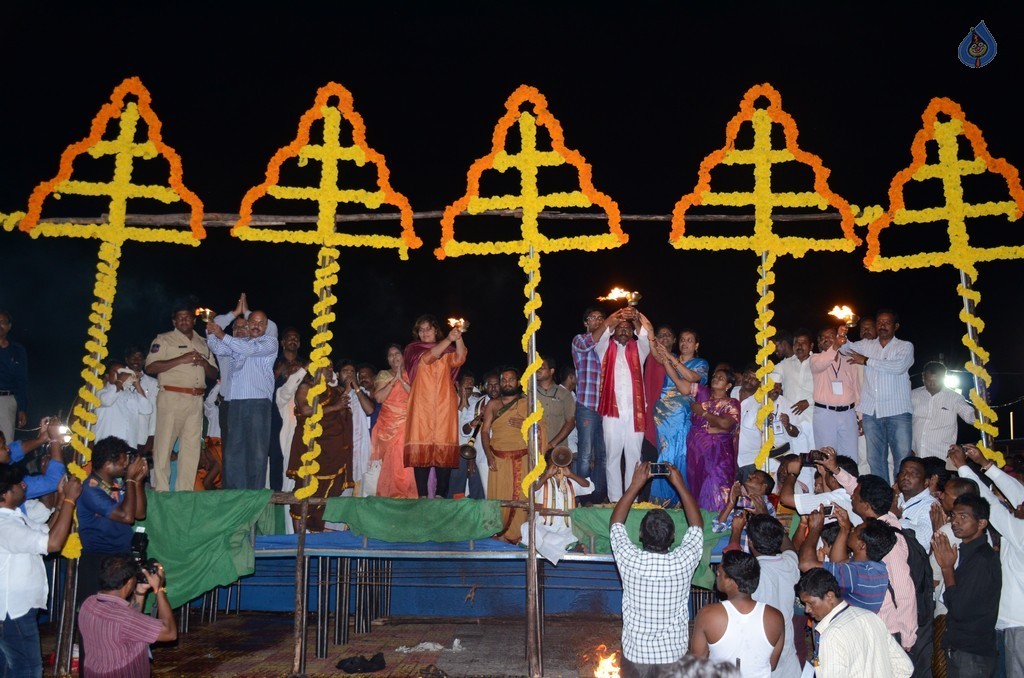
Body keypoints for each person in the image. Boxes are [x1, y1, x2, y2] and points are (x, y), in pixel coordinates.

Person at [610, 462, 704, 675]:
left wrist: (635, 485)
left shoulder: (630, 560)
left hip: (636, 657)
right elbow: (697, 526)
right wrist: (680, 485)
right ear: (673, 537)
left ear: (640, 535)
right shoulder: (683, 562)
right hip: (673, 657)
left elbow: (616, 524)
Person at [949, 444, 1024, 677]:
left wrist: (963, 467)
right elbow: (1017, 494)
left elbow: (989, 504)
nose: (1018, 502)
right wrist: (986, 465)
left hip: (1017, 625)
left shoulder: (1020, 530)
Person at [0, 463, 81, 677]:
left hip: (17, 609)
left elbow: (47, 533)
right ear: (5, 493)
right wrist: (70, 501)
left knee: (12, 667)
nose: (24, 486)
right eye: (19, 483)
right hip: (12, 611)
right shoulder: (4, 525)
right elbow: (52, 544)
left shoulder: (15, 516)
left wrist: (63, 501)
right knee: (29, 669)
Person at [145, 306, 218, 492]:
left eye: (187, 317)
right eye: (180, 318)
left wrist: (203, 363)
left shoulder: (203, 342)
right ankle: (161, 490)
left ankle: (184, 492)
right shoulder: (164, 339)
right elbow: (151, 367)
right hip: (172, 397)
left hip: (196, 400)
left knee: (191, 449)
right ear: (174, 322)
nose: (184, 320)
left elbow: (214, 372)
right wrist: (181, 359)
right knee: (164, 447)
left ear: (193, 321)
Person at [838, 310, 914, 483]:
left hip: (898, 411)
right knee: (875, 459)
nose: (882, 326)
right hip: (871, 412)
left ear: (896, 326)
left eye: (887, 322)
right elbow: (845, 349)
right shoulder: (868, 345)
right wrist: (842, 334)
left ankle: (901, 499)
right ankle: (883, 501)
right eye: (879, 322)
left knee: (902, 459)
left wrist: (866, 361)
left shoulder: (905, 346)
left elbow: (898, 367)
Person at [206, 310, 278, 490]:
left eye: (261, 323)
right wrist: (212, 328)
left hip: (258, 403)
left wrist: (221, 333)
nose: (256, 326)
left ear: (266, 326)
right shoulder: (238, 343)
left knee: (257, 451)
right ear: (247, 324)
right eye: (252, 322)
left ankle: (253, 494)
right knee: (233, 452)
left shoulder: (270, 342)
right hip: (236, 403)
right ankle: (233, 493)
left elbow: (250, 349)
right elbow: (215, 345)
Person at [796, 568, 913, 677]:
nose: (807, 610)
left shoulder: (831, 636)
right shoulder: (870, 616)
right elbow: (904, 667)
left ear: (830, 596)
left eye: (811, 603)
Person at [932, 494, 1001, 677]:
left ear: (981, 523)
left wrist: (947, 569)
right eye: (953, 516)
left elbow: (959, 609)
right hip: (963, 649)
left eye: (963, 517)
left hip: (972, 653)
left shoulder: (982, 559)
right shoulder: (970, 552)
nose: (955, 522)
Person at [76, 437, 149, 606]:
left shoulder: (117, 484)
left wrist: (137, 482)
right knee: (97, 617)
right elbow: (126, 517)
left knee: (122, 616)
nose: (127, 466)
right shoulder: (90, 489)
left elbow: (139, 513)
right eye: (124, 462)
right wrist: (130, 480)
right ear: (109, 464)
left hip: (121, 557)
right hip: (98, 561)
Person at [78, 554, 176, 677]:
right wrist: (159, 588)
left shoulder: (88, 604)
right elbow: (170, 633)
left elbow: (131, 624)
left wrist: (140, 592)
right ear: (129, 583)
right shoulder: (124, 618)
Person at [691, 550, 786, 676]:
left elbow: (697, 664)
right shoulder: (776, 617)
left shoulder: (708, 614)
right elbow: (772, 664)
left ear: (731, 581)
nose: (717, 574)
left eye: (720, 572)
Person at [403, 315, 467, 498]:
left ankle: (440, 496)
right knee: (421, 449)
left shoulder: (448, 350)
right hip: (421, 405)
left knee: (443, 447)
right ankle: (422, 496)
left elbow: (460, 358)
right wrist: (449, 339)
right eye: (421, 330)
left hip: (444, 404)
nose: (424, 333)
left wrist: (459, 335)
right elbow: (428, 358)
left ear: (435, 330)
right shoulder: (413, 349)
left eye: (428, 329)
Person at [286, 363, 352, 531]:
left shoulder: (334, 391)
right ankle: (297, 541)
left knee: (330, 490)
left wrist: (343, 400)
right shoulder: (305, 387)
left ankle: (318, 533)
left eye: (331, 367)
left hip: (332, 452)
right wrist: (334, 407)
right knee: (304, 489)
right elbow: (306, 409)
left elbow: (343, 417)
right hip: (309, 448)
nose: (330, 370)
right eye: (326, 367)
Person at [597, 309, 652, 502]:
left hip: (635, 411)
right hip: (611, 412)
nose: (623, 331)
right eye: (620, 328)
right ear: (613, 331)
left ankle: (632, 499)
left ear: (632, 333)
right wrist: (616, 316)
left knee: (634, 456)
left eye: (627, 329)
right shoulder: (604, 348)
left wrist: (636, 317)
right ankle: (614, 500)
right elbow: (601, 335)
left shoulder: (639, 350)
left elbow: (645, 337)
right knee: (612, 456)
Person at [798, 507, 892, 613]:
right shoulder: (876, 568)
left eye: (855, 530)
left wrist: (815, 528)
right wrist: (845, 528)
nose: (852, 530)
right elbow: (838, 563)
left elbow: (806, 564)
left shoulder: (857, 574)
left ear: (861, 545)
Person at [649, 329, 708, 501]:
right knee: (665, 452)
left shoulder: (701, 363)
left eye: (689, 340)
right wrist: (649, 331)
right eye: (682, 339)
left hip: (682, 413)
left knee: (681, 453)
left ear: (696, 345)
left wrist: (672, 359)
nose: (684, 342)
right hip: (663, 413)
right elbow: (655, 351)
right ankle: (661, 498)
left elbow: (692, 378)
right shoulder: (669, 357)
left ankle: (678, 499)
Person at [744, 514, 803, 678]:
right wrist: (773, 525)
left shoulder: (750, 574)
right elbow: (789, 548)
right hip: (787, 649)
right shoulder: (790, 563)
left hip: (760, 649)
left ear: (750, 542)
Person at [482, 367, 531, 542]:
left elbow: (539, 429)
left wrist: (525, 424)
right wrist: (488, 455)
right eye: (504, 380)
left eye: (511, 379)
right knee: (499, 498)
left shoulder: (527, 404)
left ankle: (518, 537)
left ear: (518, 382)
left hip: (522, 459)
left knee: (522, 498)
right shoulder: (493, 405)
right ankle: (498, 535)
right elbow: (485, 431)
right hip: (498, 459)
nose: (507, 383)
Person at [686, 368, 741, 512]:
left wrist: (702, 412)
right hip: (696, 452)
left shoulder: (731, 403)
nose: (715, 378)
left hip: (718, 453)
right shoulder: (702, 399)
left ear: (728, 386)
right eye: (715, 376)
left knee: (717, 485)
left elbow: (725, 424)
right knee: (698, 487)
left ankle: (719, 523)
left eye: (721, 378)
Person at [520, 458, 591, 564]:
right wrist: (547, 476)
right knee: (527, 527)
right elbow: (531, 491)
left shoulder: (571, 482)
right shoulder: (542, 481)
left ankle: (555, 548)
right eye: (555, 464)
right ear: (549, 465)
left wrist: (571, 475)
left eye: (562, 464)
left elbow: (588, 486)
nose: (558, 467)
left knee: (575, 534)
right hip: (544, 528)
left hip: (566, 530)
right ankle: (568, 548)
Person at [572, 307, 610, 503]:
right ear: (586, 323)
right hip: (587, 406)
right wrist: (608, 322)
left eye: (600, 318)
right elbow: (589, 342)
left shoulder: (607, 347)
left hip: (605, 408)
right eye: (592, 318)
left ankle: (596, 497)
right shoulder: (579, 340)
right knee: (585, 455)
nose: (596, 321)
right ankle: (580, 497)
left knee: (603, 455)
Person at [370, 344, 416, 499]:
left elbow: (416, 396)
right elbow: (378, 398)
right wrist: (393, 381)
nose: (394, 357)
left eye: (397, 354)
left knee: (406, 462)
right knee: (392, 462)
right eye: (390, 355)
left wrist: (402, 381)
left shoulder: (412, 373)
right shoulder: (383, 374)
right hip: (389, 426)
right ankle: (393, 496)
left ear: (403, 356)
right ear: (387, 359)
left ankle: (407, 496)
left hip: (407, 424)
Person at [810, 326, 860, 460]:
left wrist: (859, 416)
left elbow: (856, 389)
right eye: (823, 337)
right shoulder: (815, 358)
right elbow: (821, 364)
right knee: (826, 456)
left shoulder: (849, 360)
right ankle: (825, 481)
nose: (827, 339)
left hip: (848, 413)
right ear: (819, 343)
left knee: (850, 456)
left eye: (831, 336)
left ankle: (849, 481)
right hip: (825, 414)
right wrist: (836, 346)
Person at [911, 362, 975, 459]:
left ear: (944, 378)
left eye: (936, 381)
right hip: (915, 456)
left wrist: (980, 407)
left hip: (941, 457)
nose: (932, 384)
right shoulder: (912, 395)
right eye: (928, 380)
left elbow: (972, 419)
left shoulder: (955, 398)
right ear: (923, 377)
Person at [94, 362, 153, 450]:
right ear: (107, 376)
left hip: (129, 446)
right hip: (107, 446)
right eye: (117, 373)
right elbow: (107, 400)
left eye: (123, 372)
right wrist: (120, 381)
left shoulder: (130, 395)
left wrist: (137, 385)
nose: (122, 375)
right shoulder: (100, 392)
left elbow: (147, 409)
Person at [776, 328, 816, 448]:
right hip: (791, 421)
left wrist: (808, 402)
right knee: (795, 460)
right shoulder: (785, 364)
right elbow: (770, 380)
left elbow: (828, 390)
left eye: (803, 343)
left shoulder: (819, 362)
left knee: (814, 458)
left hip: (813, 418)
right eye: (796, 343)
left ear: (811, 345)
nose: (799, 346)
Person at [892, 457, 938, 551]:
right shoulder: (896, 499)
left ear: (926, 482)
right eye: (903, 472)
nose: (906, 476)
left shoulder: (931, 505)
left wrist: (896, 519)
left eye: (914, 473)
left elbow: (924, 541)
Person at [536, 358, 576, 457]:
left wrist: (551, 445)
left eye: (542, 367)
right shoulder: (529, 394)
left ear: (551, 371)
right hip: (536, 451)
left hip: (558, 451)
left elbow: (570, 422)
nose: (538, 370)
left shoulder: (564, 394)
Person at [0, 310, 28, 445]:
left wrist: (22, 408)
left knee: (6, 441)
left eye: (2, 322)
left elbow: (21, 380)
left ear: (9, 326)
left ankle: (4, 467)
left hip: (7, 400)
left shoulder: (18, 350)